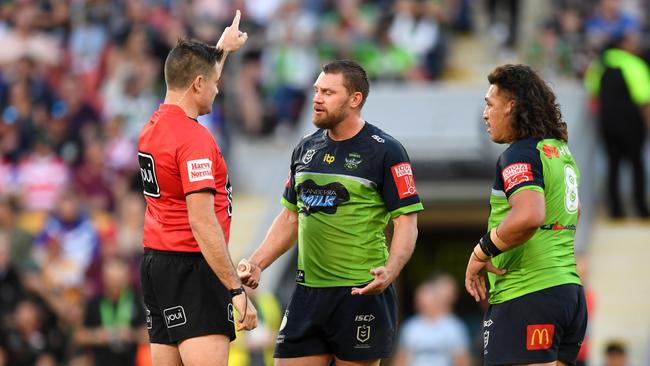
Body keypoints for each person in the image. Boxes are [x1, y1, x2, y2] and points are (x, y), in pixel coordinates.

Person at [239, 59, 424, 366]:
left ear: (355, 100)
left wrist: (391, 269)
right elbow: (289, 217)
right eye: (316, 90)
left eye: (328, 92)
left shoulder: (386, 151)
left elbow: (406, 221)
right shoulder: (305, 149)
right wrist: (258, 263)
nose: (317, 98)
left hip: (359, 293)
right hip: (308, 294)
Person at [136, 10, 257, 366]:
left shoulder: (152, 127)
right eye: (214, 83)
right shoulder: (194, 140)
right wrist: (235, 289)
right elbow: (202, 222)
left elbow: (195, 74)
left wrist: (222, 49)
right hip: (192, 267)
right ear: (198, 85)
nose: (219, 89)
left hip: (156, 264)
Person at [464, 64, 587, 365]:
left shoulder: (520, 153)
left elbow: (529, 215)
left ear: (511, 107)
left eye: (489, 105)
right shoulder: (559, 151)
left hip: (528, 294)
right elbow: (575, 211)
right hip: (567, 293)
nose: (485, 114)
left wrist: (480, 253)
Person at [584, 30, 650, 218]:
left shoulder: (599, 65)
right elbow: (643, 99)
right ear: (623, 44)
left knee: (613, 165)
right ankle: (641, 208)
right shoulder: (635, 64)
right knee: (637, 165)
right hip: (632, 125)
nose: (635, 45)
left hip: (607, 124)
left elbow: (592, 90)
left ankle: (615, 210)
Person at [393, 273, 471, 366]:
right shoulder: (410, 327)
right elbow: (401, 359)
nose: (420, 300)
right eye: (418, 297)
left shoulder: (454, 327)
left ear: (436, 298)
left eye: (424, 296)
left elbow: (462, 361)